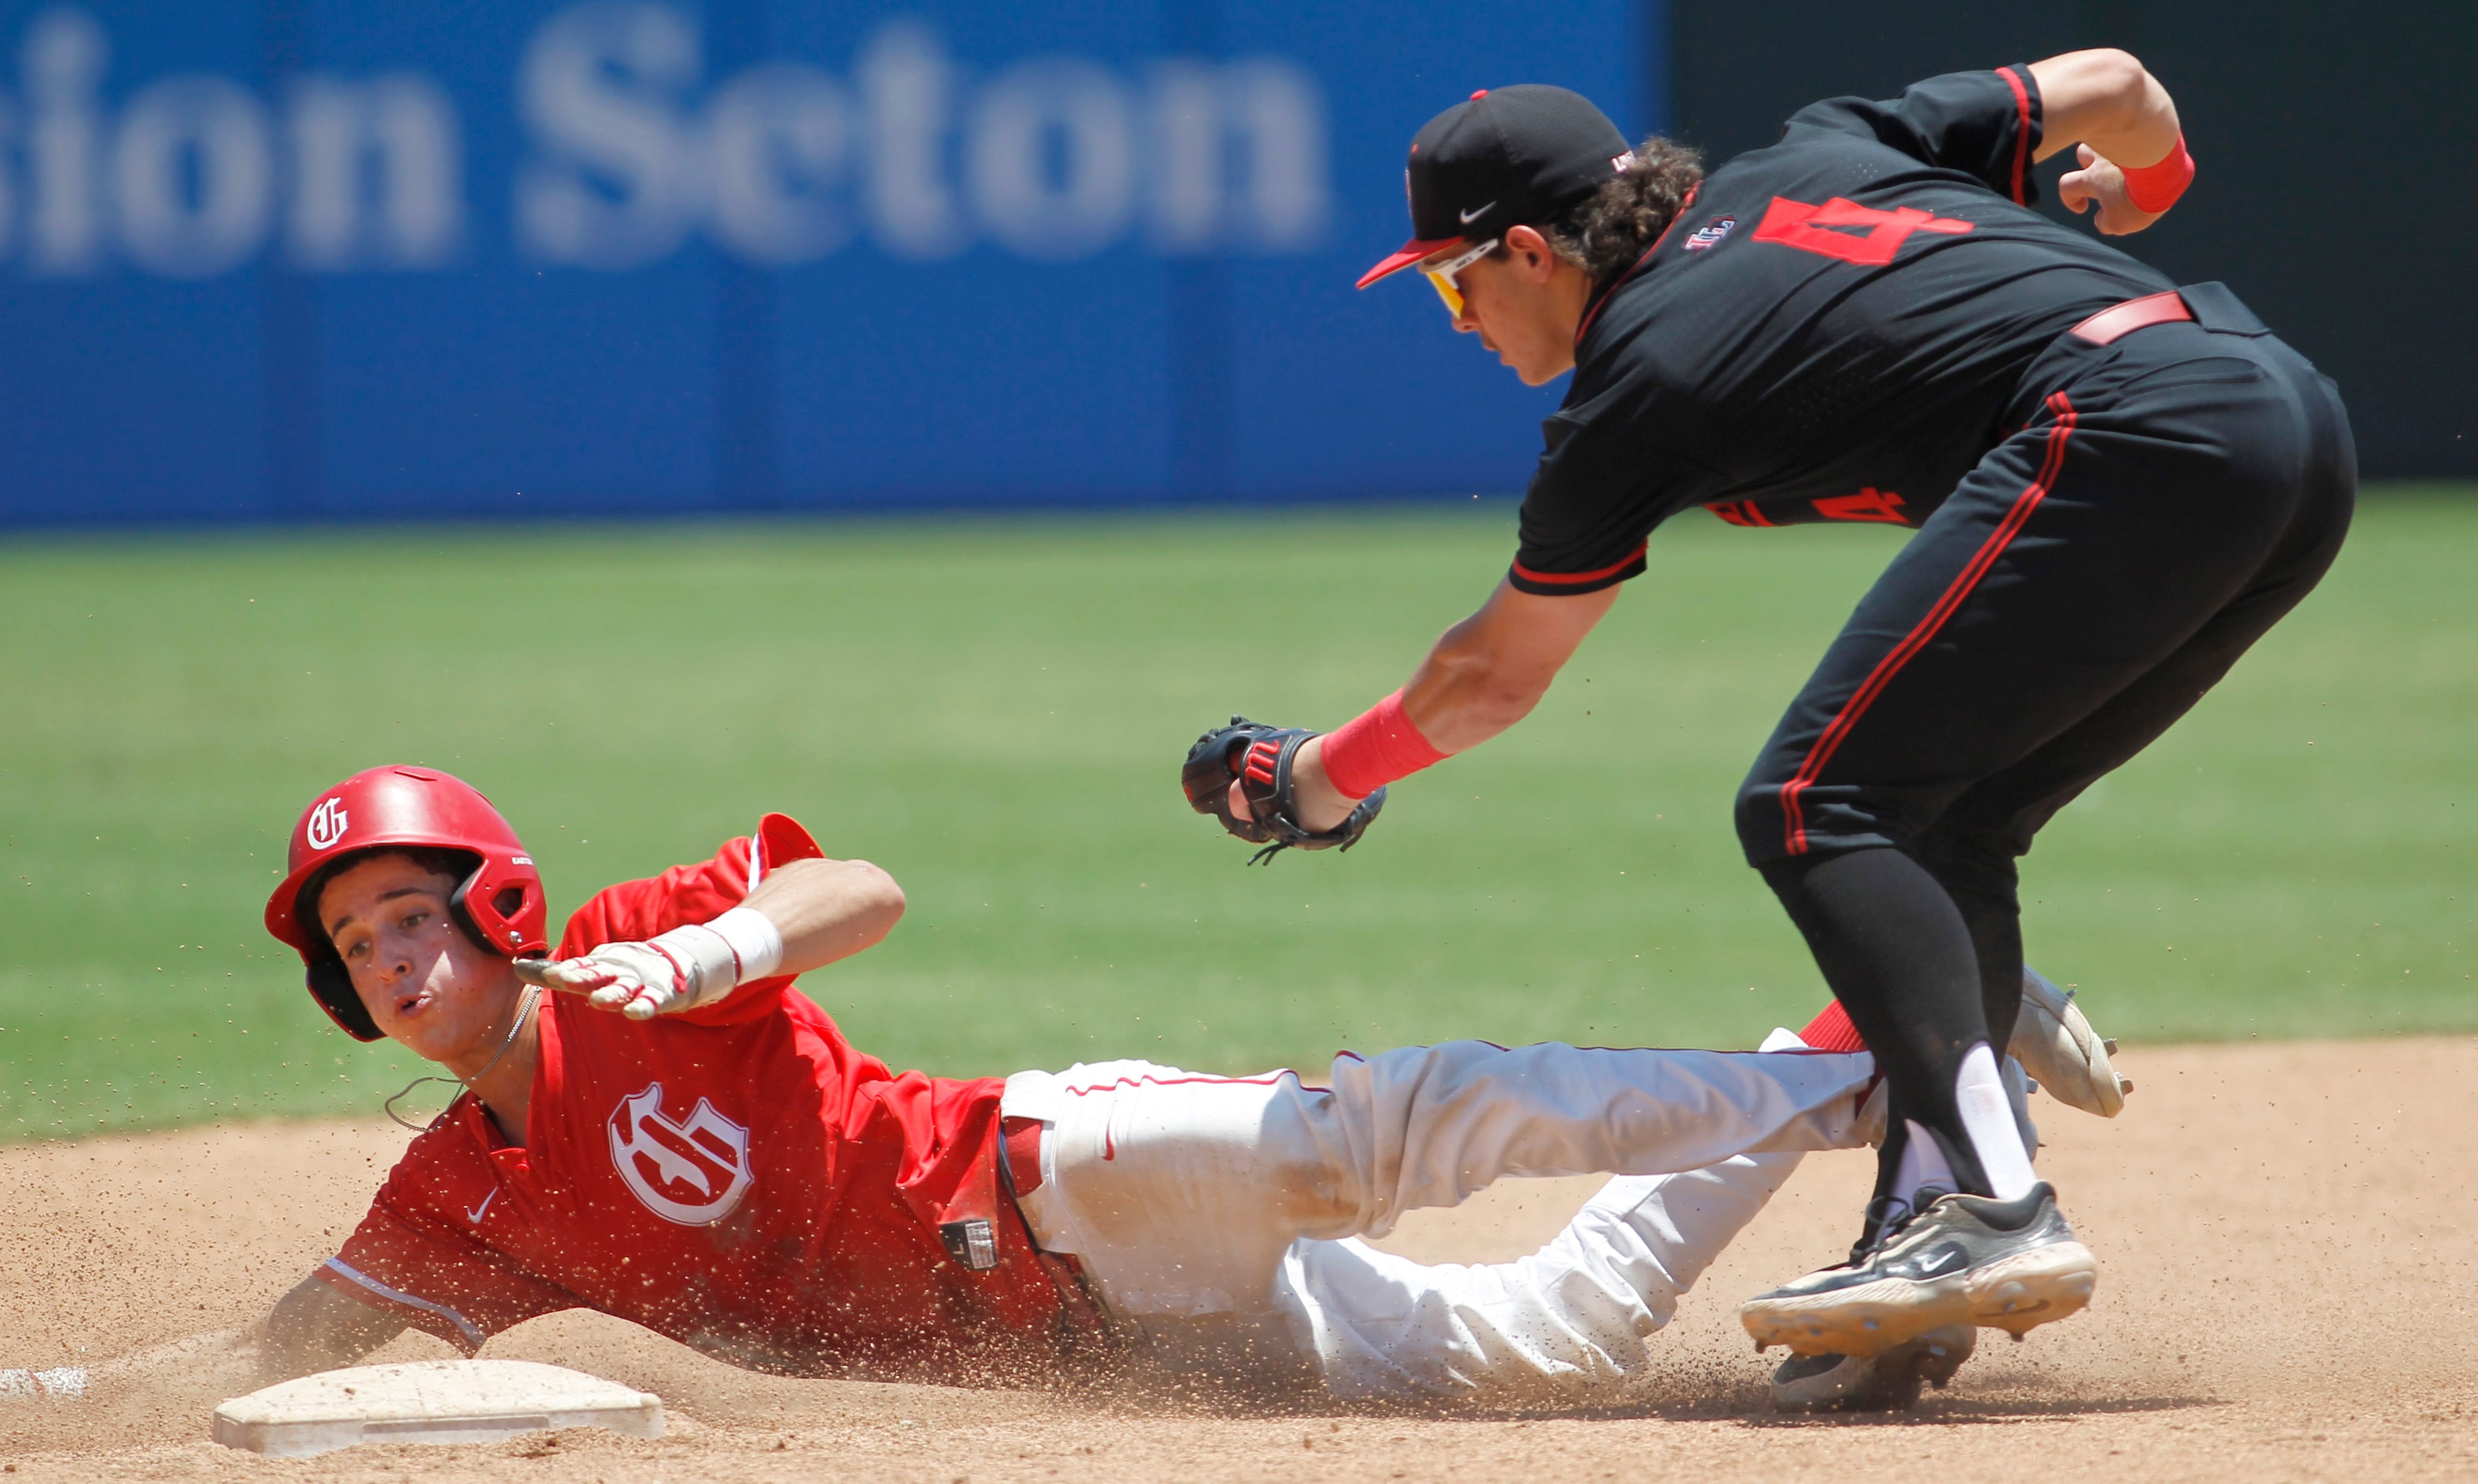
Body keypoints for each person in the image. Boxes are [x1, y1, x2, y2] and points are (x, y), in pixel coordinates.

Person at [1183, 50, 2347, 1369]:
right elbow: (2118, 83)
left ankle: (1988, 1202)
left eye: (1455, 283)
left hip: (2135, 429)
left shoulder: (1637, 380)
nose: (1457, 319)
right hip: (2289, 426)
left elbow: (1495, 674)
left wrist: (1317, 774)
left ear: (1528, 249)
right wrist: (2156, 182)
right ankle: (1927, 1227)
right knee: (1943, 825)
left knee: (1812, 803)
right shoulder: (1825, 138)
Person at [11, 764, 2112, 1418]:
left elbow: (864, 884)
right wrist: (61, 1398)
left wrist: (703, 949)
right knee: (1539, 1337)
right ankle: (1849, 1050)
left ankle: (1925, 1048)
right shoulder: (451, 1208)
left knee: (1357, 1134)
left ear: (502, 895)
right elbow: (279, 1347)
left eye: (413, 906)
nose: (392, 952)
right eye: (356, 940)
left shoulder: (637, 953)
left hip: (1044, 1183)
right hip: (1124, 1349)